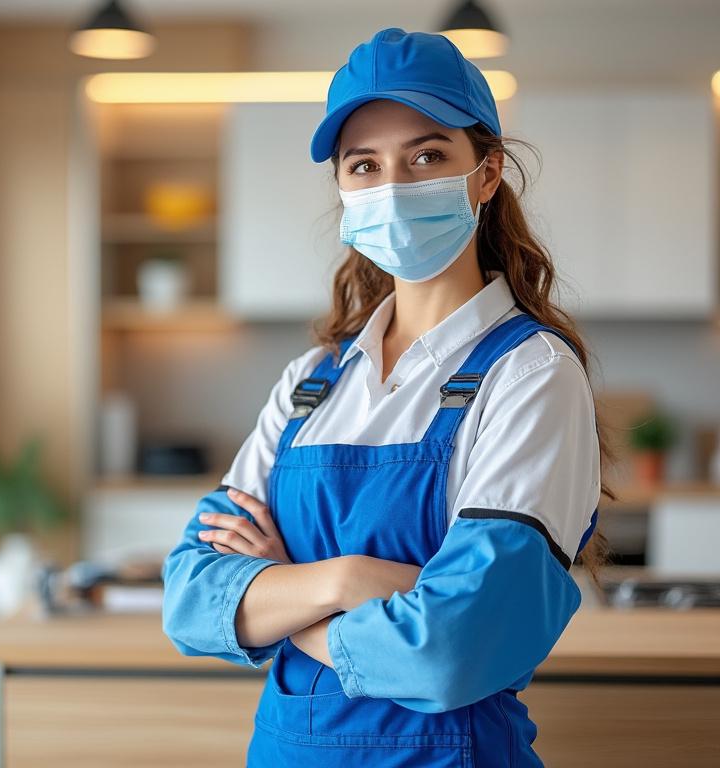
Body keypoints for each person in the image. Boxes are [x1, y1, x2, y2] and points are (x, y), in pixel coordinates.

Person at [160, 26, 615, 767]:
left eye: (427, 156)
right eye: (363, 165)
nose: (394, 186)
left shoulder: (531, 373)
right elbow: (190, 597)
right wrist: (355, 582)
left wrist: (287, 596)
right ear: (342, 189)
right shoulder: (313, 381)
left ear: (488, 173)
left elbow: (454, 649)